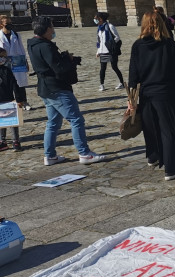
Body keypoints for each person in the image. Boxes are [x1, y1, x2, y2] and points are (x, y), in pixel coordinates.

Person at [27, 16, 105, 166]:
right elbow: (59, 69)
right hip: (57, 89)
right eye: (51, 27)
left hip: (45, 89)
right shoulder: (45, 46)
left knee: (53, 122)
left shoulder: (33, 44)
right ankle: (84, 153)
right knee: (76, 120)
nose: (53, 29)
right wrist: (69, 60)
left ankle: (49, 155)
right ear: (46, 29)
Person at [128, 10, 175, 180]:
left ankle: (154, 156)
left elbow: (133, 76)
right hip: (165, 93)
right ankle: (172, 168)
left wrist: (131, 100)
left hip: (146, 94)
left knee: (151, 128)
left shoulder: (137, 45)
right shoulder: (168, 44)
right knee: (168, 129)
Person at [0, 15, 30, 110]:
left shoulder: (16, 35)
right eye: (6, 23)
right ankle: (10, 104)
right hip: (4, 64)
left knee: (20, 84)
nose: (9, 25)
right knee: (7, 85)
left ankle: (24, 102)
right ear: (1, 25)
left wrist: (25, 61)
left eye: (10, 22)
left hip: (17, 62)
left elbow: (21, 49)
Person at [0, 48, 25, 151]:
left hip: (9, 99)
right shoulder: (6, 70)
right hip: (7, 98)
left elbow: (15, 85)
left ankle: (13, 141)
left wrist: (18, 99)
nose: (5, 59)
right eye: (2, 57)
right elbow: (15, 85)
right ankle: (6, 141)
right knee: (5, 121)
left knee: (11, 121)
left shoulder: (7, 70)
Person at [94, 12, 125, 91]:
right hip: (102, 51)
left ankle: (121, 83)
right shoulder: (99, 28)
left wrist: (111, 44)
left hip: (110, 51)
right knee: (102, 68)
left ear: (100, 19)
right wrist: (98, 51)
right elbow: (99, 41)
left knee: (114, 67)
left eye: (96, 18)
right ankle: (102, 84)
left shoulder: (110, 26)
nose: (95, 20)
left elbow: (117, 37)